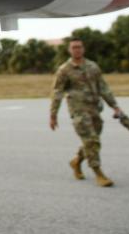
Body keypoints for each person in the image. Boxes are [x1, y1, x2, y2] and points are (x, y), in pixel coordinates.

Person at [50, 38, 121, 187]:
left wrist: (115, 106)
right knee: (91, 141)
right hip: (78, 111)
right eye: (74, 47)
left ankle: (76, 161)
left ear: (83, 49)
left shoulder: (92, 67)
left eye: (79, 47)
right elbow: (57, 93)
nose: (77, 50)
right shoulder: (64, 70)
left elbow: (104, 88)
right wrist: (53, 115)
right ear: (69, 50)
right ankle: (99, 173)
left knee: (93, 141)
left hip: (94, 109)